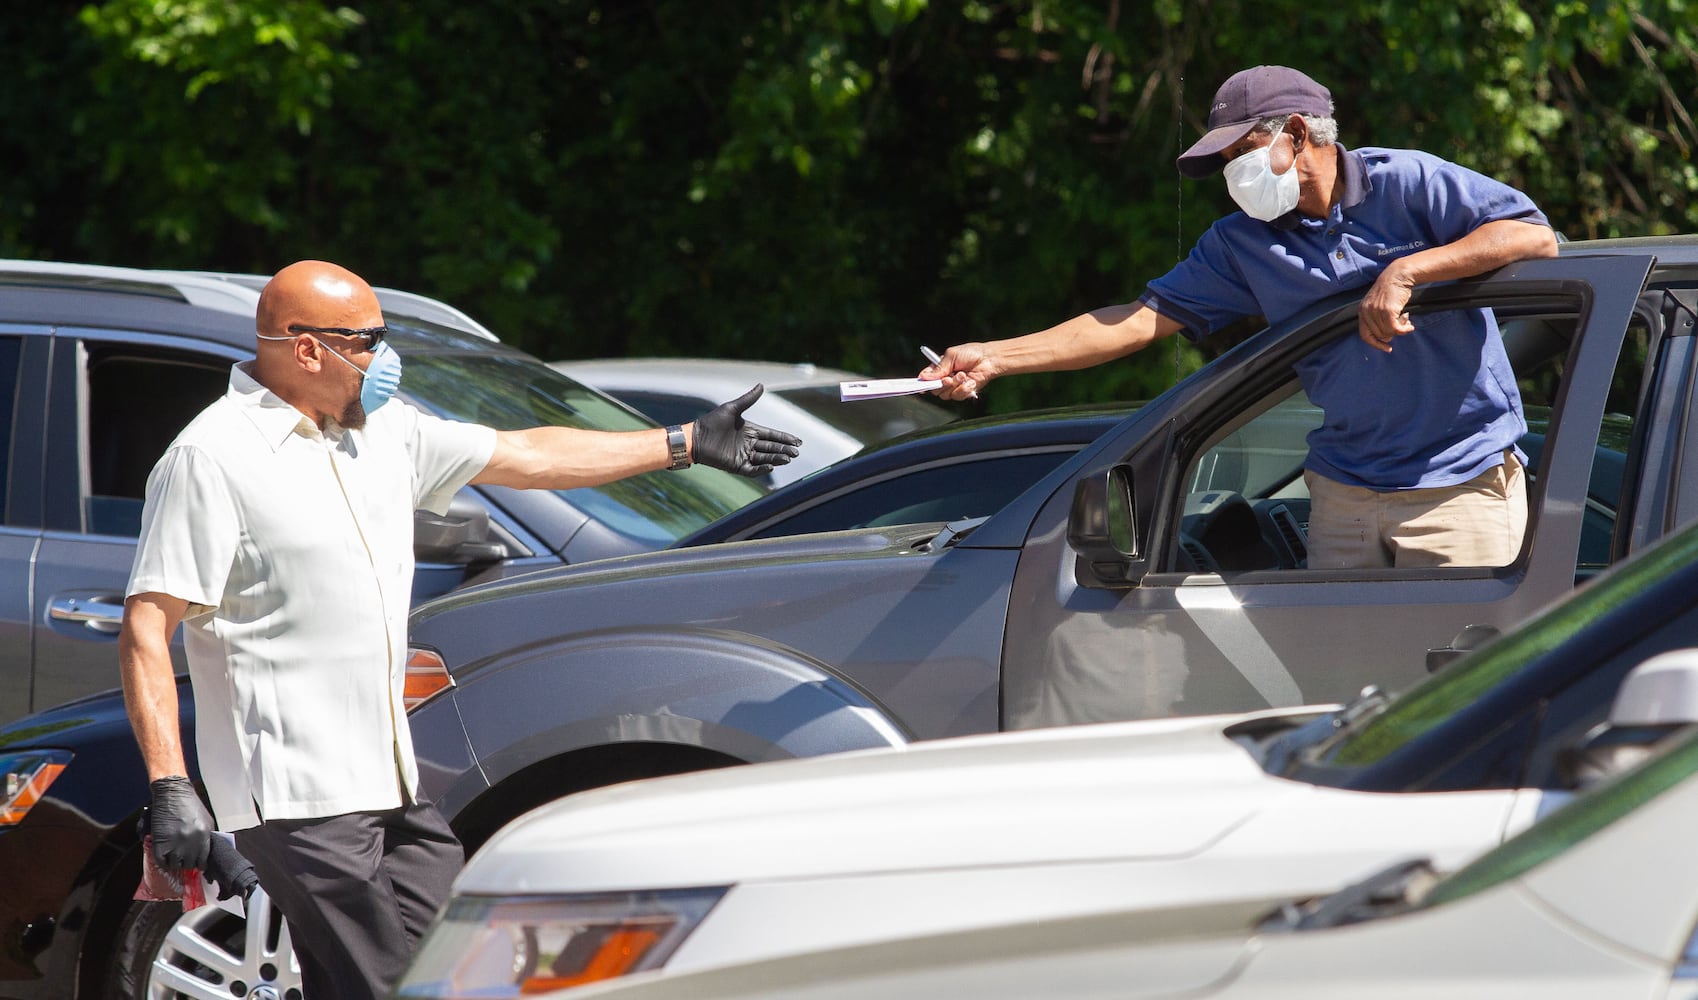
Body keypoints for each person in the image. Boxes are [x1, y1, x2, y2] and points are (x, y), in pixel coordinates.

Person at [117, 260, 802, 1000]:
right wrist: (170, 783)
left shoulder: (380, 434)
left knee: (460, 977)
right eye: (368, 341)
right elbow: (147, 626)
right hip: (295, 797)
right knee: (382, 986)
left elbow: (529, 454)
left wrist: (684, 442)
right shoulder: (211, 457)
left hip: (390, 781)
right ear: (306, 348)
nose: (385, 360)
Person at [921, 65, 1558, 570]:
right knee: (1343, 698)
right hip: (1344, 495)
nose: (1233, 176)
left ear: (1299, 135)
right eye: (1224, 164)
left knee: (1459, 699)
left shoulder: (1408, 183)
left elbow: (1534, 237)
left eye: (1241, 154)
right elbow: (1139, 319)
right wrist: (997, 356)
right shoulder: (1242, 243)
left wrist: (1409, 270)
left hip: (1460, 486)